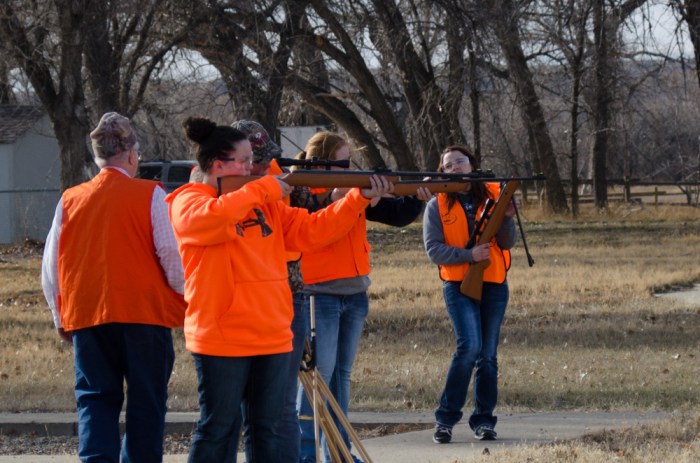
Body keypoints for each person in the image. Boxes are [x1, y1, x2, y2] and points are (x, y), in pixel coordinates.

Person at [166, 117, 393, 463]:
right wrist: (265, 188)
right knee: (218, 429)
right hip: (222, 337)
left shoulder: (265, 201)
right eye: (244, 161)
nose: (254, 167)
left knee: (269, 428)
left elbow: (311, 231)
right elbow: (208, 219)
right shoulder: (190, 200)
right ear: (217, 166)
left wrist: (356, 200)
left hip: (272, 334)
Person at [41, 112, 187, 462]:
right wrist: (183, 299)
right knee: (146, 402)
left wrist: (59, 316)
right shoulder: (151, 194)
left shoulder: (70, 199)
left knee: (94, 399)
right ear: (132, 154)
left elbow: (51, 267)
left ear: (96, 156)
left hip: (89, 315)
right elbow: (171, 256)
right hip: (144, 316)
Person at [295, 131, 431, 463]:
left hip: (355, 293)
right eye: (344, 163)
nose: (350, 169)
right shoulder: (300, 195)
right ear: (320, 164)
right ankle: (305, 454)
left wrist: (417, 196)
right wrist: (344, 197)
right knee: (318, 379)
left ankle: (339, 453)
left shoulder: (351, 191)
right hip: (320, 293)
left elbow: (396, 215)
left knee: (340, 375)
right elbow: (312, 229)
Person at [422, 144, 516, 444]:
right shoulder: (436, 205)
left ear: (472, 166)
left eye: (460, 162)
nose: (455, 168)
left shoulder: (493, 196)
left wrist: (507, 215)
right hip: (458, 285)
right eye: (448, 165)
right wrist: (468, 255)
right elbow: (433, 249)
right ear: (442, 173)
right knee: (469, 349)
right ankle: (445, 420)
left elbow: (508, 242)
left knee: (488, 356)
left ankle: (484, 421)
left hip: (494, 283)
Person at [229, 119, 311, 462]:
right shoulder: (214, 192)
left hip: (287, 297)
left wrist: (350, 197)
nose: (262, 166)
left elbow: (309, 227)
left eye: (265, 158)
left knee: (278, 409)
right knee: (232, 413)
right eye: (254, 159)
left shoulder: (284, 184)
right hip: (238, 304)